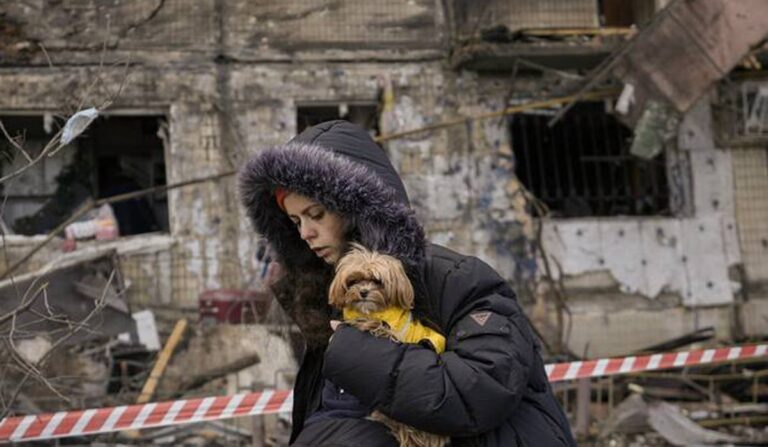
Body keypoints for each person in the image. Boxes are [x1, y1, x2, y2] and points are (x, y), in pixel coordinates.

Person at [239, 120, 577, 446]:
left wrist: (355, 350)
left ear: (358, 209)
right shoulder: (333, 300)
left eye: (316, 215)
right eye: (295, 220)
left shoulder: (457, 278)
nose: (305, 232)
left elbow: (481, 389)